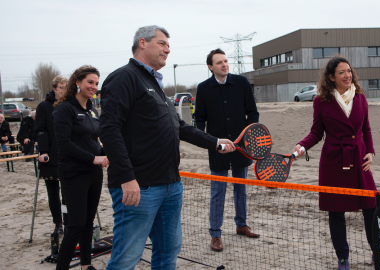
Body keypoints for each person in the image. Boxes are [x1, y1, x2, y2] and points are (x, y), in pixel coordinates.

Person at [99, 25, 235, 270]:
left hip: (170, 185)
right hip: (139, 187)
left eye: (168, 45)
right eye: (162, 43)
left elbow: (179, 127)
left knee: (168, 251)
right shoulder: (124, 77)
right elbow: (109, 130)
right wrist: (128, 177)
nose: (168, 49)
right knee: (127, 256)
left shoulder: (154, 82)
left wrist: (215, 142)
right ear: (143, 43)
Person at [293, 56, 377, 270]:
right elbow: (316, 132)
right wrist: (301, 147)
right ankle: (343, 258)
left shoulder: (360, 97)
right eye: (341, 72)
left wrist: (370, 152)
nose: (347, 75)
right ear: (331, 77)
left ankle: (378, 252)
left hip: (359, 159)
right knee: (336, 211)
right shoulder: (321, 100)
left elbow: (366, 129)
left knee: (371, 207)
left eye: (349, 70)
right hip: (334, 161)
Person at [195, 48, 260, 252]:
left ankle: (241, 225)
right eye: (219, 62)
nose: (224, 64)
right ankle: (215, 234)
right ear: (210, 67)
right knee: (218, 192)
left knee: (241, 189)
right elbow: (199, 120)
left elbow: (252, 113)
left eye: (226, 61)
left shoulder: (241, 83)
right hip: (218, 149)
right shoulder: (203, 88)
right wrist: (211, 142)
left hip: (242, 149)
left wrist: (247, 138)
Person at [53, 66, 108, 270]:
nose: (94, 86)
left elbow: (94, 140)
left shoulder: (92, 109)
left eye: (96, 83)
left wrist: (103, 153)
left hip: (94, 173)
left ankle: (86, 265)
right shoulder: (64, 108)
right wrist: (93, 158)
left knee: (88, 222)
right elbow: (64, 144)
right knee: (75, 225)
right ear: (77, 82)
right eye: (90, 82)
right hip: (74, 173)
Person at [35, 75, 68, 236]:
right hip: (51, 154)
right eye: (61, 87)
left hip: (68, 155)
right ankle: (58, 223)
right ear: (54, 88)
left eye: (66, 87)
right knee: (53, 193)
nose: (64, 90)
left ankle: (68, 221)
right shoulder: (44, 106)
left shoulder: (69, 105)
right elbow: (41, 130)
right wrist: (43, 151)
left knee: (68, 192)